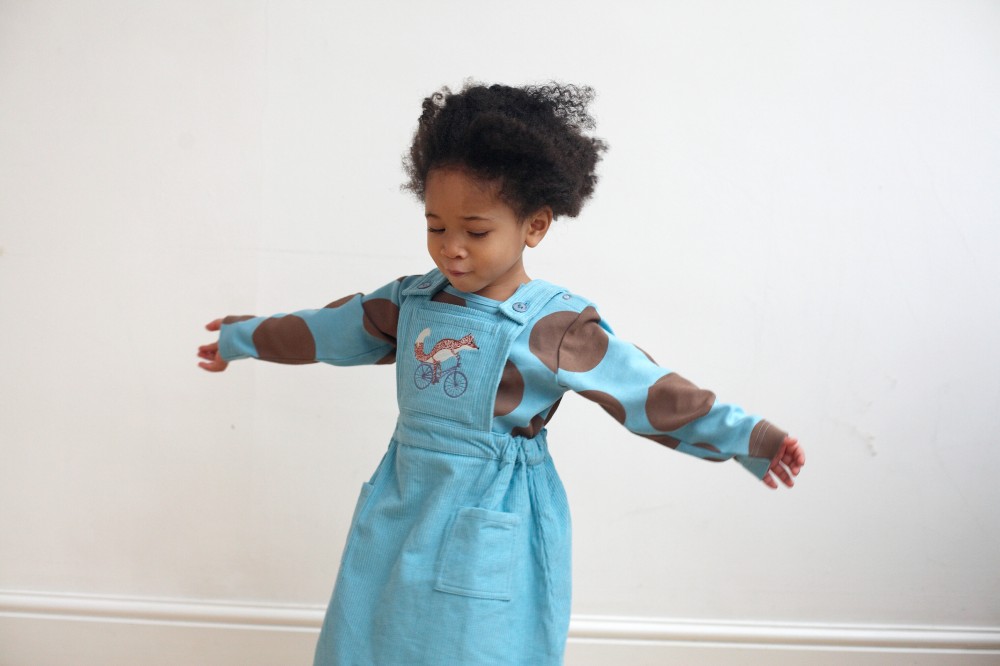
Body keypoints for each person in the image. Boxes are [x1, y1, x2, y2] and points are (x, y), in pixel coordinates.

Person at [197, 82, 805, 666]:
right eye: (436, 227)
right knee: (372, 639)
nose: (451, 248)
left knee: (479, 647)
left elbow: (649, 394)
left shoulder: (555, 327)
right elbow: (323, 332)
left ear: (534, 226)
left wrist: (752, 440)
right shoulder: (410, 303)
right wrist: (240, 337)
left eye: (476, 231)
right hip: (403, 503)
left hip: (493, 519)